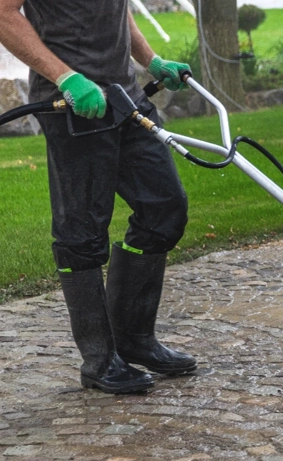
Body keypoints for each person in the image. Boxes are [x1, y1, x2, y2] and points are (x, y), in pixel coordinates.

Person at [0, 0, 197, 393]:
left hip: (126, 97)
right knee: (82, 232)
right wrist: (66, 77)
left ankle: (133, 339)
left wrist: (151, 60)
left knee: (164, 210)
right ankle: (99, 360)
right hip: (73, 102)